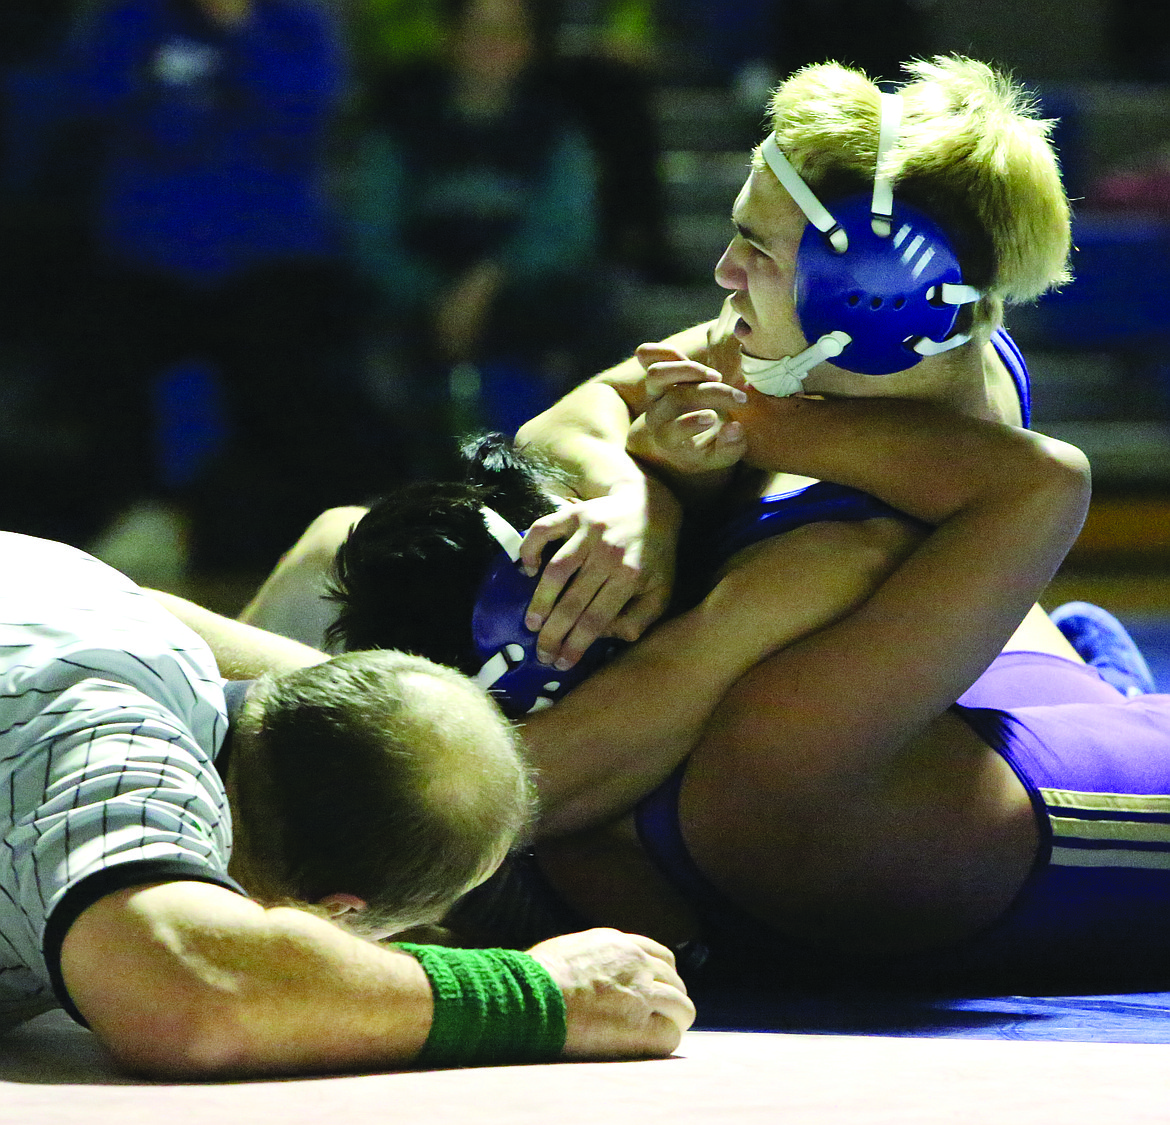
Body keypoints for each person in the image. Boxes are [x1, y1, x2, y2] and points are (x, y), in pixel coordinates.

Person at [0, 530, 693, 1077]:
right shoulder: (124, 759)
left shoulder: (96, 602)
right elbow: (187, 992)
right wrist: (543, 991)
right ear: (336, 914)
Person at [348, 0, 629, 454]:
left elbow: (569, 232)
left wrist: (487, 282)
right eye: (479, 31)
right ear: (450, 37)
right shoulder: (399, 123)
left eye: (508, 32)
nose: (492, 47)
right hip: (417, 303)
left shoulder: (556, 127)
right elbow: (372, 234)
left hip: (526, 304)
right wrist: (434, 293)